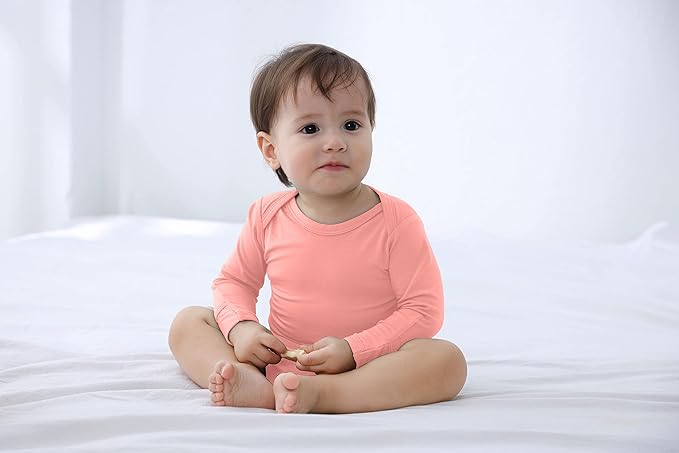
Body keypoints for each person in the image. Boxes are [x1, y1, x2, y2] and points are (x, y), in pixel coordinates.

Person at [168, 43, 467, 414]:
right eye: (310, 128)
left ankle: (325, 394)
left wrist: (355, 349)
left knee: (447, 360)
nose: (335, 142)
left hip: (368, 368)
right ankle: (249, 381)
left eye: (351, 125)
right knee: (189, 322)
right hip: (279, 358)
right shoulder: (266, 215)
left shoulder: (396, 220)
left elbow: (423, 310)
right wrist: (243, 328)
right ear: (271, 150)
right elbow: (234, 283)